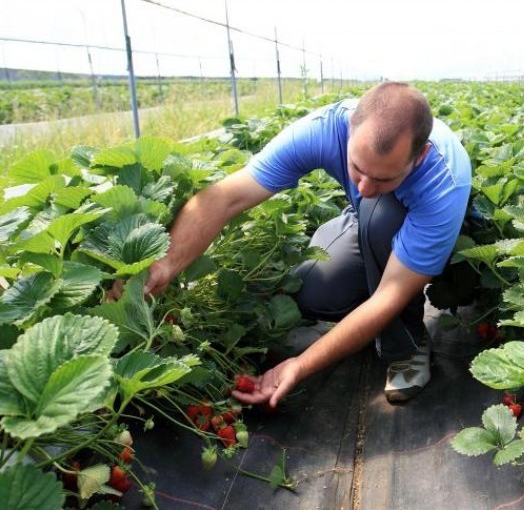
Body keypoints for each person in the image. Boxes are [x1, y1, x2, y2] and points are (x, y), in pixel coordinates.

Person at [144, 82, 471, 406]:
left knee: (379, 215)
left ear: (420, 155)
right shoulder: (326, 128)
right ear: (349, 128)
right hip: (367, 220)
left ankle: (408, 345)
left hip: (416, 221)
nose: (366, 186)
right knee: (314, 291)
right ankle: (367, 253)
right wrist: (166, 262)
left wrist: (301, 365)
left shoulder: (443, 183)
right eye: (357, 168)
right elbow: (226, 197)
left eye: (384, 178)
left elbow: (388, 297)